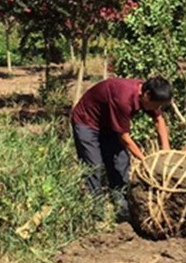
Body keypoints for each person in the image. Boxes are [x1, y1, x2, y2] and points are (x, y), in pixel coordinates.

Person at [71, 76, 172, 209]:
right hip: (87, 122)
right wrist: (146, 161)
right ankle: (96, 209)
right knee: (94, 166)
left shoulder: (148, 93)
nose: (157, 108)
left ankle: (121, 204)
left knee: (121, 161)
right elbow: (125, 138)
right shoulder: (123, 99)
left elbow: (159, 120)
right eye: (157, 105)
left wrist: (166, 152)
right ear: (147, 95)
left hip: (109, 124)